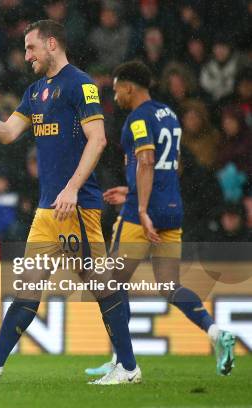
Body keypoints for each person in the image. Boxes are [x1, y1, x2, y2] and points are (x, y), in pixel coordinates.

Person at [0, 19, 139, 385]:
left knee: (101, 283)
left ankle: (128, 366)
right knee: (29, 284)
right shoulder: (35, 92)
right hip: (49, 209)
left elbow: (97, 140)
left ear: (52, 44)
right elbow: (6, 133)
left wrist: (71, 189)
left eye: (31, 48)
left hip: (76, 205)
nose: (26, 55)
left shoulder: (81, 84)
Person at [88, 61, 236, 377]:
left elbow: (146, 161)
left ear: (128, 86)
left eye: (116, 90)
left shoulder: (137, 119)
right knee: (170, 285)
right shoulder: (168, 114)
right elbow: (172, 166)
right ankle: (215, 332)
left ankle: (123, 363)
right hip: (171, 209)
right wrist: (133, 192)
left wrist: (139, 208)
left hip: (142, 216)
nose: (115, 97)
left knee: (109, 283)